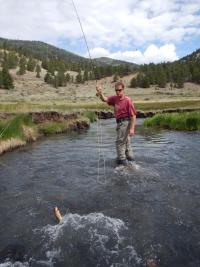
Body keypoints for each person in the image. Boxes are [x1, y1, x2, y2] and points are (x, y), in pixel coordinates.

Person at [96, 81, 137, 166]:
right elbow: (105, 99)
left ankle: (122, 163)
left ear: (123, 89)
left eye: (119, 90)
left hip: (125, 123)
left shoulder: (128, 100)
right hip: (120, 123)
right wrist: (100, 93)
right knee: (126, 143)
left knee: (119, 143)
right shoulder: (115, 98)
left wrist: (132, 129)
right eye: (116, 90)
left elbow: (133, 116)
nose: (118, 92)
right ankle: (131, 161)